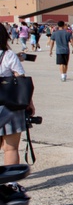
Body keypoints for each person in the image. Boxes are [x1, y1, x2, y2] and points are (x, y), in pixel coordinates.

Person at [0, 25, 34, 168]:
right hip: (9, 105)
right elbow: (20, 80)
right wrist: (29, 103)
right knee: (11, 148)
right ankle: (10, 182)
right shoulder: (8, 55)